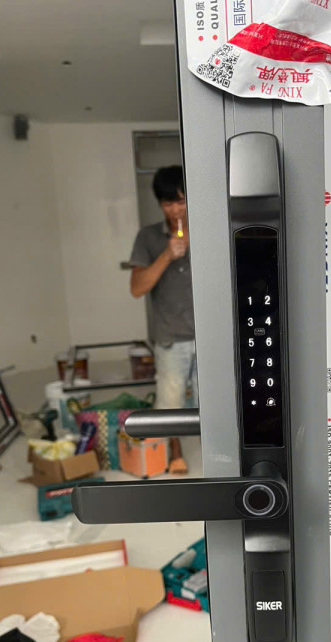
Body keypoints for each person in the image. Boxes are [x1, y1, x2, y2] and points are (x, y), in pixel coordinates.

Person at [126, 166, 196, 474]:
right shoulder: (148, 237)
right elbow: (136, 289)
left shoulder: (208, 227)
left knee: (217, 398)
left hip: (211, 335)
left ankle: (223, 453)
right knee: (170, 403)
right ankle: (175, 453)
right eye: (169, 203)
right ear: (159, 204)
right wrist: (167, 255)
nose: (177, 210)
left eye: (182, 201)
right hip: (170, 337)